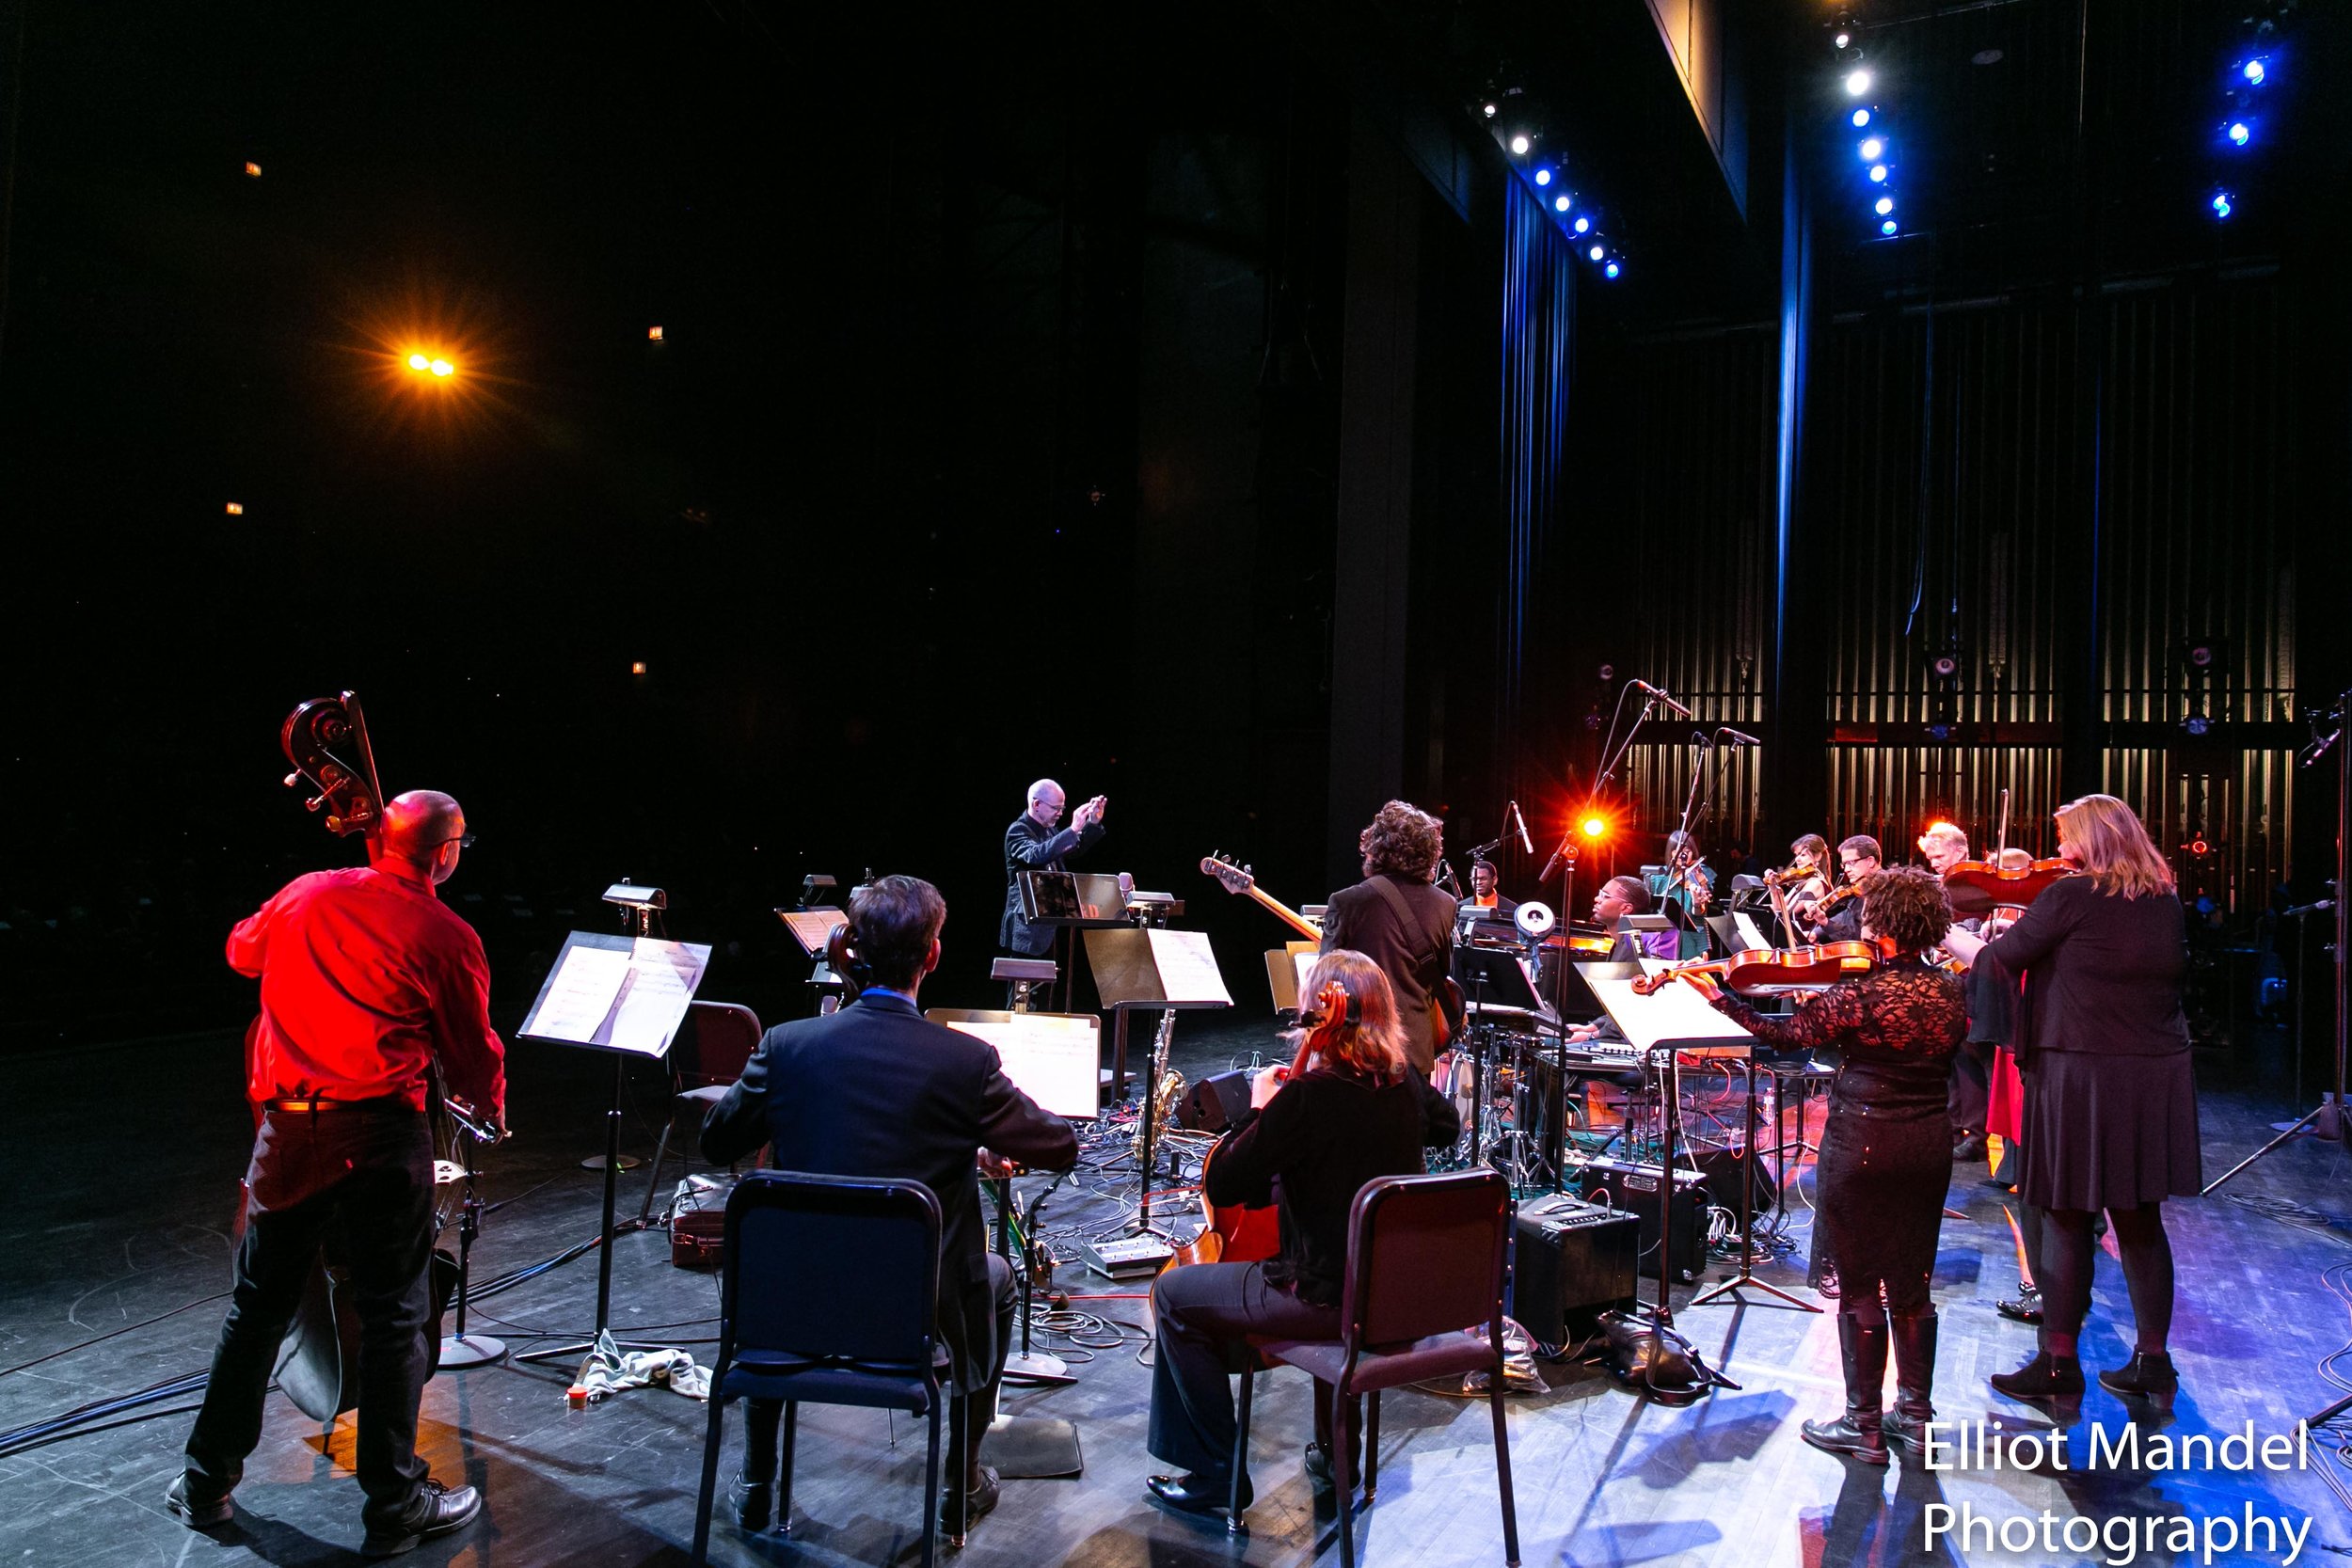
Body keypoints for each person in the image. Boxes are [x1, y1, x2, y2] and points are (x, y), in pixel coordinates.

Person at [170, 791, 505, 1557]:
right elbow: (472, 1051)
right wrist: (492, 1102)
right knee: (392, 1313)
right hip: (382, 1135)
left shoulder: (307, 890)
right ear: (446, 852)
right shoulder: (448, 934)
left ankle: (204, 1483)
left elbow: (240, 951)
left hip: (289, 1133)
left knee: (256, 1308)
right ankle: (395, 1503)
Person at [703, 875, 1079, 1538]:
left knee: (777, 1276)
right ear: (932, 956)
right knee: (997, 1275)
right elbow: (1059, 1144)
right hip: (911, 1315)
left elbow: (717, 1142)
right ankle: (959, 1483)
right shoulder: (963, 1062)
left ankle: (759, 1484)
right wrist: (971, 1140)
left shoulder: (787, 1046)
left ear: (849, 947)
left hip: (790, 1306)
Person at [1144, 951, 1461, 1522]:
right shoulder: (1402, 1081)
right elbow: (1448, 1125)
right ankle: (1339, 1458)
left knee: (1173, 1295)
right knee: (1336, 1254)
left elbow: (1226, 1180)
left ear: (1319, 1012)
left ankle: (1216, 1475)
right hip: (1396, 1301)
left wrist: (1260, 1108)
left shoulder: (1307, 1098)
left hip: (1325, 1300)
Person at [1676, 866, 1965, 1464]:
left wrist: (1718, 997)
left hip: (1863, 1140)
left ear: (1878, 922)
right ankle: (1915, 1412)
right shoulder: (1951, 990)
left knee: (1860, 1281)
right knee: (1913, 1281)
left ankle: (1863, 1424)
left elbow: (1783, 1036)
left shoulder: (1860, 993)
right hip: (1928, 1142)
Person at [1943, 795, 2200, 1404]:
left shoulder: (2070, 895)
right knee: (2140, 1220)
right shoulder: (2164, 902)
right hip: (2151, 1079)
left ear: (2089, 840)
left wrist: (1944, 930)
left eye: (2064, 840)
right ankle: (2153, 1361)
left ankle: (2058, 1362)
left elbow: (1996, 962)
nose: (2057, 854)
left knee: (2064, 1214)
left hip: (2078, 1076)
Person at [1318, 800, 1461, 1075]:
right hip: (1414, 1054)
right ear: (1429, 852)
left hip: (1358, 1052)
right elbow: (1443, 971)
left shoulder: (1347, 901)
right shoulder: (1446, 904)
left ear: (1375, 847)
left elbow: (1326, 982)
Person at [999, 779, 1106, 958]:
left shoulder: (1049, 830)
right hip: (1027, 928)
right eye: (1055, 808)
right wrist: (1072, 829)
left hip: (1051, 921)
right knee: (1024, 984)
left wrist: (1092, 823)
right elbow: (1036, 855)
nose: (1060, 813)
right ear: (1037, 804)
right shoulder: (1018, 831)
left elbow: (1073, 850)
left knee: (1048, 982)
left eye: (1062, 809)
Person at [1795, 836, 1883, 943]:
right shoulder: (1858, 891)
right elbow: (1844, 918)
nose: (1846, 870)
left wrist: (1825, 922)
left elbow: (1856, 936)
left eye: (1851, 862)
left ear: (1870, 861)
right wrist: (1815, 933)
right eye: (1844, 864)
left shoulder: (1884, 893)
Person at [1645, 832, 1714, 958]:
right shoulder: (1658, 879)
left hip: (1691, 942)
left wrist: (1697, 902)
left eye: (1688, 851)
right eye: (1677, 850)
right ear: (1670, 852)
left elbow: (1699, 916)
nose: (1683, 855)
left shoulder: (1700, 875)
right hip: (1663, 941)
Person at [1593, 875, 1678, 964]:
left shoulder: (1654, 934)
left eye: (1605, 896)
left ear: (1626, 908)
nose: (1597, 899)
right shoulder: (1619, 943)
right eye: (1600, 894)